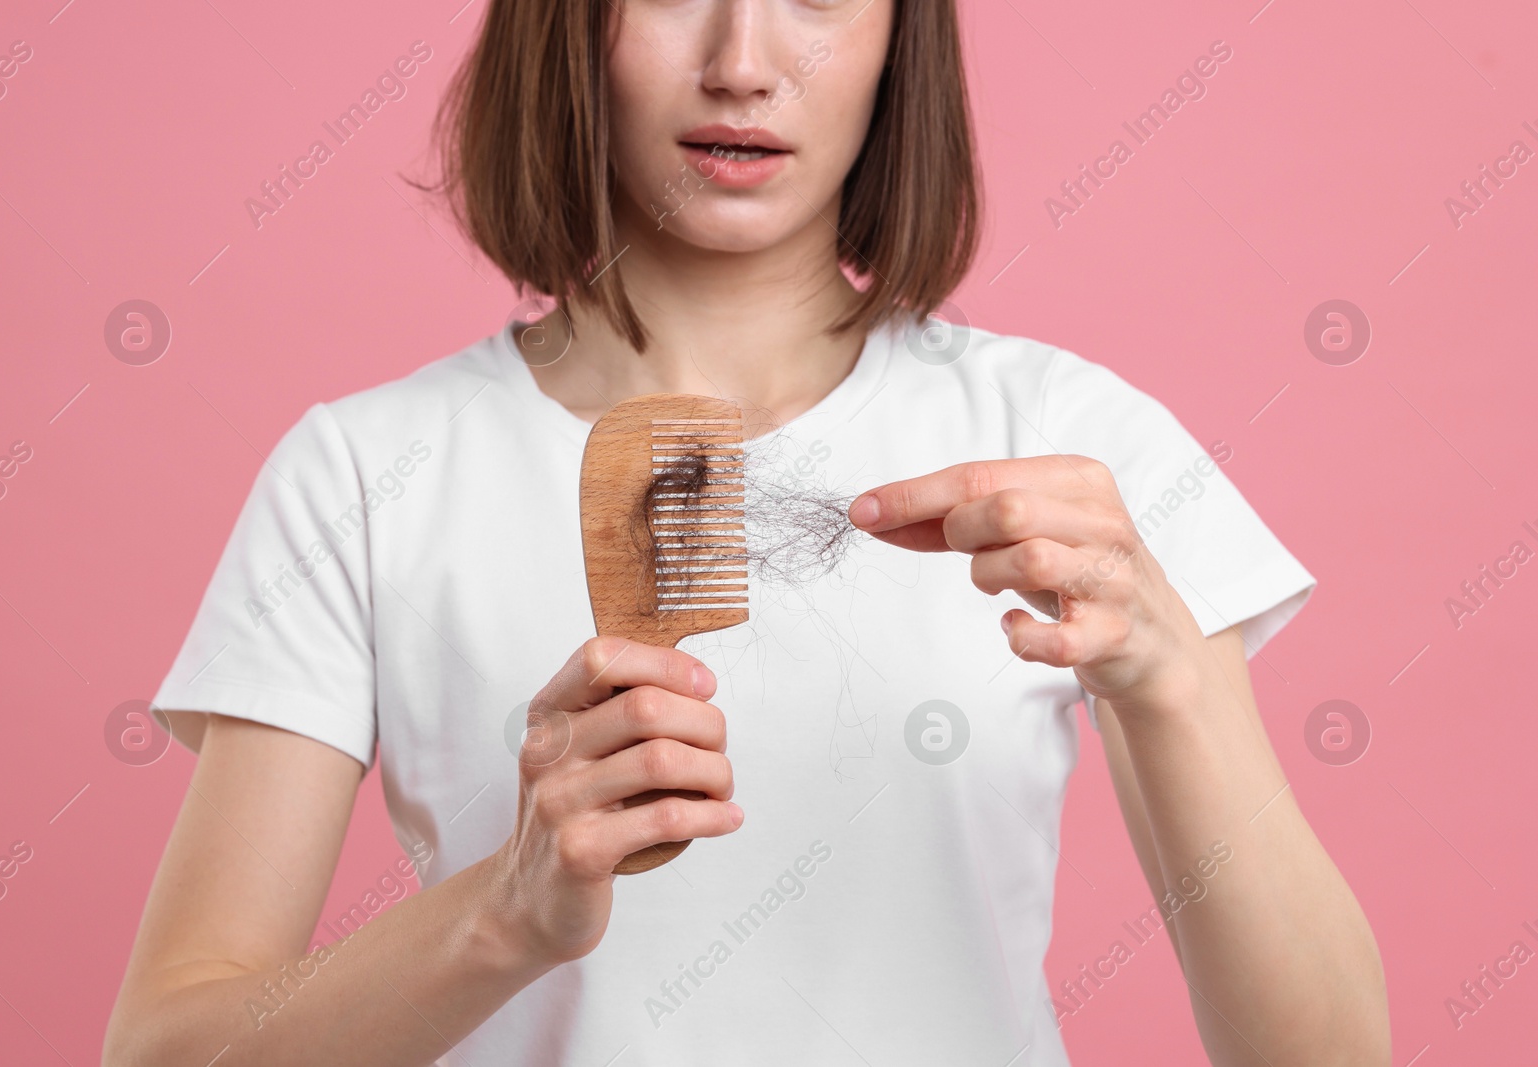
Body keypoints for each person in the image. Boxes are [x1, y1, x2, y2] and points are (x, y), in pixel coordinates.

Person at [103, 2, 1389, 1064]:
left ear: (901, 38)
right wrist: (507, 911)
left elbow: (1323, 1055)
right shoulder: (365, 471)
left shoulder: (1060, 436)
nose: (742, 64)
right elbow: (170, 1043)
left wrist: (1169, 680)